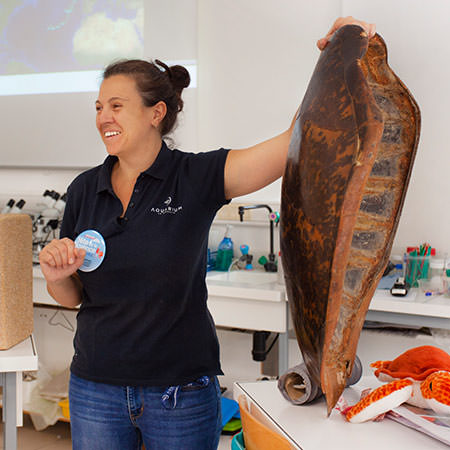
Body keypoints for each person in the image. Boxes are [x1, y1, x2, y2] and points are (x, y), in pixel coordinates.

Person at [39, 16, 375, 450]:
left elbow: (299, 139)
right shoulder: (85, 188)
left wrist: (338, 55)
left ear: (156, 113)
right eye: (99, 106)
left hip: (179, 394)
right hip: (95, 389)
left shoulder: (195, 176)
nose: (104, 116)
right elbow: (74, 296)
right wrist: (56, 274)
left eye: (117, 105)